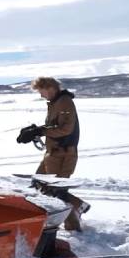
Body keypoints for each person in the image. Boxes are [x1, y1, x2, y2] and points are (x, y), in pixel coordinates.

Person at [30, 76, 87, 231]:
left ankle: (73, 227)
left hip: (63, 154)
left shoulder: (64, 102)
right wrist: (35, 131)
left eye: (41, 91)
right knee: (39, 184)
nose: (41, 95)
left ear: (50, 88)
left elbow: (65, 129)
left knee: (56, 191)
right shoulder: (55, 103)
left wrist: (41, 131)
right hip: (53, 153)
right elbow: (55, 126)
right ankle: (78, 205)